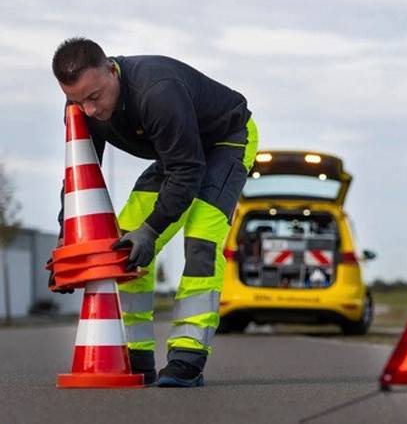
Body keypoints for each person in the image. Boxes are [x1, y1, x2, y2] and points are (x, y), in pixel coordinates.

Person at [51, 37, 258, 387]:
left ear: (112, 71)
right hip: (176, 155)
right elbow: (80, 171)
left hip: (224, 142)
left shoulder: (157, 92)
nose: (88, 110)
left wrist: (153, 229)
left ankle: (187, 357)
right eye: (76, 100)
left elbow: (189, 172)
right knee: (123, 245)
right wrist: (66, 241)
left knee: (201, 240)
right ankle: (136, 354)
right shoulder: (81, 105)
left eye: (95, 97)